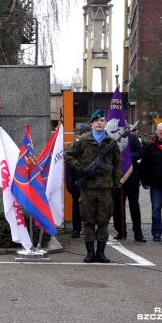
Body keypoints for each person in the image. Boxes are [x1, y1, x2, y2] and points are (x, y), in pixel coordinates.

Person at [64, 110, 122, 263]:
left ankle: (101, 253)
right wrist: (81, 169)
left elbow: (117, 164)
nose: (99, 123)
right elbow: (67, 155)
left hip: (105, 189)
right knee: (88, 221)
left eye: (102, 120)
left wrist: (116, 183)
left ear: (105, 123)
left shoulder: (111, 142)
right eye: (96, 120)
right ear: (91, 123)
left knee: (103, 221)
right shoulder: (82, 140)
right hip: (88, 188)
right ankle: (90, 253)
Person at [113, 128, 146, 242]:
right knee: (117, 206)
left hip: (132, 176)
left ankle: (138, 233)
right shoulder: (112, 138)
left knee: (134, 206)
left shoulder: (133, 137)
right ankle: (120, 231)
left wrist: (127, 157)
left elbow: (140, 153)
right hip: (117, 177)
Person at [65, 124, 92, 239]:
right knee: (76, 209)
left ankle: (89, 230)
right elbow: (69, 167)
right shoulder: (74, 147)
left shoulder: (94, 148)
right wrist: (70, 184)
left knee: (91, 209)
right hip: (77, 184)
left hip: (90, 185)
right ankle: (76, 229)